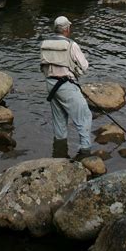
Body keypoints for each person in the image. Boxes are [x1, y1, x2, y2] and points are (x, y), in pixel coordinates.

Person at [40, 15, 92, 158]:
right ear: (67, 29)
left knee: (59, 119)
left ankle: (60, 151)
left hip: (51, 85)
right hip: (66, 85)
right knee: (85, 116)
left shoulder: (45, 43)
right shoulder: (71, 45)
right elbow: (84, 66)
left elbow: (43, 66)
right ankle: (85, 151)